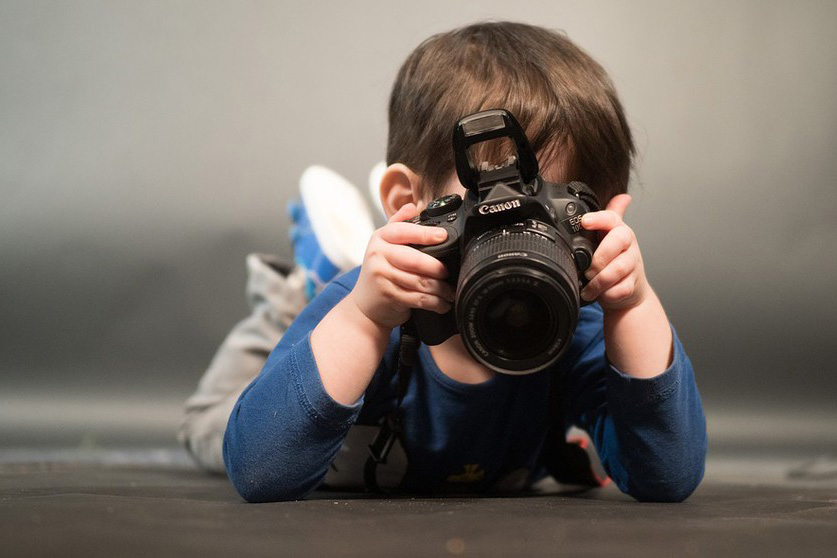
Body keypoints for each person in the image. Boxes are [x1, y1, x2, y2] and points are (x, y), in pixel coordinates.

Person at [201, 21, 706, 502]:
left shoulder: (580, 326)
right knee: (210, 426)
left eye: (554, 218)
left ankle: (373, 247)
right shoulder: (374, 310)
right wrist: (361, 318)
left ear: (606, 219)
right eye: (491, 214)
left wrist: (632, 304)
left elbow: (667, 474)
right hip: (343, 319)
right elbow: (261, 467)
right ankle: (326, 271)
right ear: (409, 200)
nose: (521, 245)